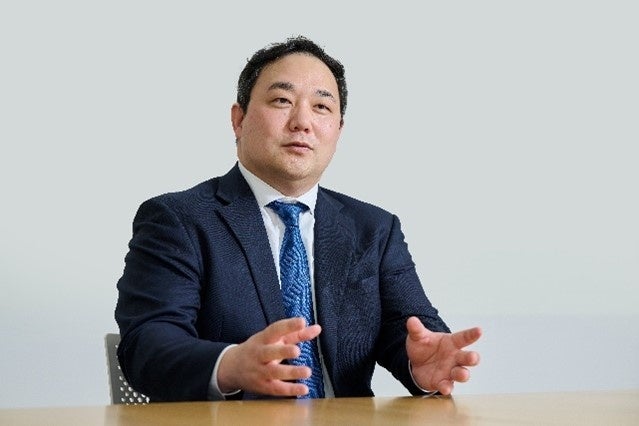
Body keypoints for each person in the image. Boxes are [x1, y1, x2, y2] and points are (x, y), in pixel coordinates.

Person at [114, 35, 481, 402]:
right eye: (282, 101)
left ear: (338, 130)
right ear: (238, 120)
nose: (302, 122)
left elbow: (413, 331)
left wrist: (422, 364)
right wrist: (230, 364)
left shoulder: (374, 229)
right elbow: (146, 345)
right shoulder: (179, 220)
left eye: (322, 106)